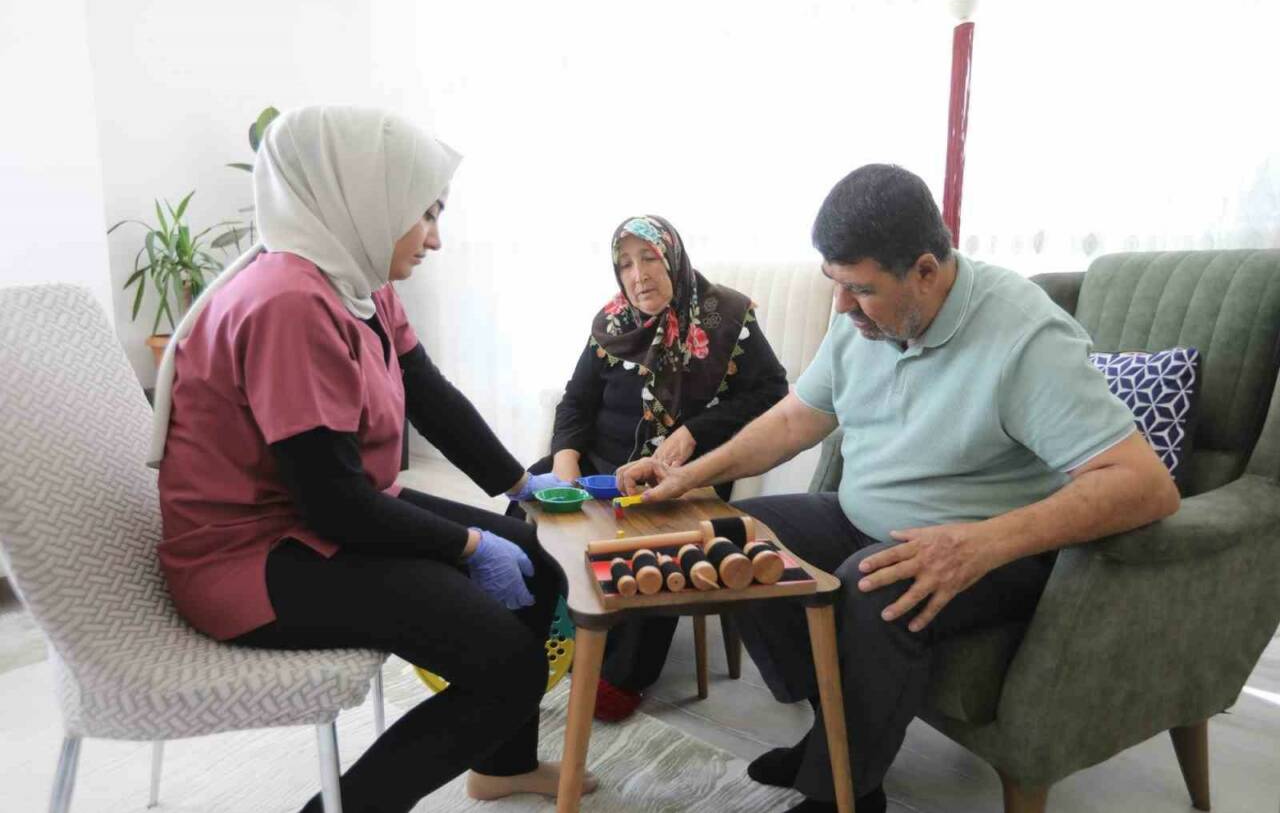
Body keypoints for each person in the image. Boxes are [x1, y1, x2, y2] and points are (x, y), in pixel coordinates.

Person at [616, 164, 1181, 813]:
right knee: (735, 534)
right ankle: (837, 739)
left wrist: (977, 544)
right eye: (834, 283)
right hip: (865, 517)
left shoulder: (1025, 337)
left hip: (996, 550)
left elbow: (1145, 485)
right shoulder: (861, 317)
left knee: (872, 587)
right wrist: (691, 475)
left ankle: (845, 793)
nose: (841, 307)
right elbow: (797, 418)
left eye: (861, 289)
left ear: (926, 272)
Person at [150, 106, 594, 813]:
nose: (436, 238)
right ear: (364, 195)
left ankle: (501, 766)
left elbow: (428, 393)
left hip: (326, 510)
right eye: (425, 214)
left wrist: (521, 485)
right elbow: (334, 505)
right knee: (506, 665)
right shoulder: (287, 303)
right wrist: (468, 543)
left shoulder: (356, 280)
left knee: (540, 564)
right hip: (251, 557)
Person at [517, 214, 788, 721]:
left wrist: (696, 430)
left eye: (648, 258)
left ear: (673, 258)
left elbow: (772, 393)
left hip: (681, 473)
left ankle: (622, 673)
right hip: (599, 463)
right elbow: (576, 401)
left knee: (654, 537)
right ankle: (535, 628)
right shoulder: (612, 323)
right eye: (624, 264)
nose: (637, 275)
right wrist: (566, 461)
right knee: (528, 501)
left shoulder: (728, 317)